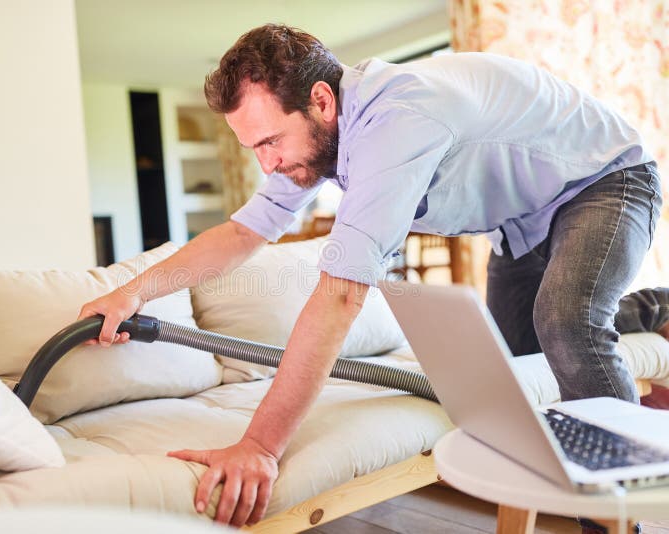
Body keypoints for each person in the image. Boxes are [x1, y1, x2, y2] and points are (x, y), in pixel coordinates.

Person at [78, 24, 664, 527]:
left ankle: (619, 521)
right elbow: (241, 234)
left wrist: (258, 446)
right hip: (520, 222)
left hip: (604, 182)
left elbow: (339, 298)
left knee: (566, 322)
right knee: (511, 368)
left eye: (270, 141)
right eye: (253, 147)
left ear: (321, 101)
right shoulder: (313, 132)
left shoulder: (398, 119)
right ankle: (645, 308)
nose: (267, 163)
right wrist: (134, 290)